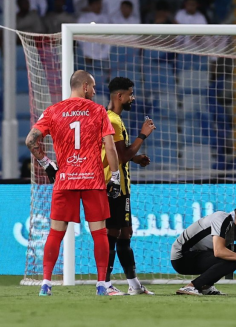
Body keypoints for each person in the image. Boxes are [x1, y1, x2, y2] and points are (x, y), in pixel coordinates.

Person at [26, 70, 121, 296]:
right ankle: (101, 285)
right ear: (85, 86)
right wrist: (115, 177)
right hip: (93, 180)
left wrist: (47, 163)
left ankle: (46, 284)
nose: (96, 91)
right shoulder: (98, 111)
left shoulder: (52, 111)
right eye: (94, 87)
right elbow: (110, 147)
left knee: (55, 233)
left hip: (65, 179)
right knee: (99, 233)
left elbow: (30, 140)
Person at [101, 77, 156, 295]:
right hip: (112, 186)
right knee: (111, 234)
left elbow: (117, 152)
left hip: (123, 188)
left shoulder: (115, 119)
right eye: (130, 94)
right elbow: (120, 155)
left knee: (125, 233)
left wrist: (135, 158)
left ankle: (134, 285)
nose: (133, 98)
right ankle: (104, 284)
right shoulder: (111, 120)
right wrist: (143, 135)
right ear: (119, 96)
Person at [172, 200, 236, 296]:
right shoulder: (222, 219)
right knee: (231, 262)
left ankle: (206, 287)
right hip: (182, 258)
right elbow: (219, 252)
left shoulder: (235, 227)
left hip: (198, 255)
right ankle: (192, 286)